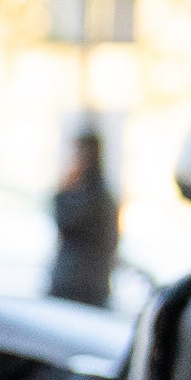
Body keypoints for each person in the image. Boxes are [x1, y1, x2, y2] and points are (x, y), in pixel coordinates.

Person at [48, 128, 120, 308]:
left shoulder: (90, 195)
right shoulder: (101, 194)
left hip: (77, 285)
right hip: (87, 283)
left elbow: (67, 223)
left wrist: (63, 191)